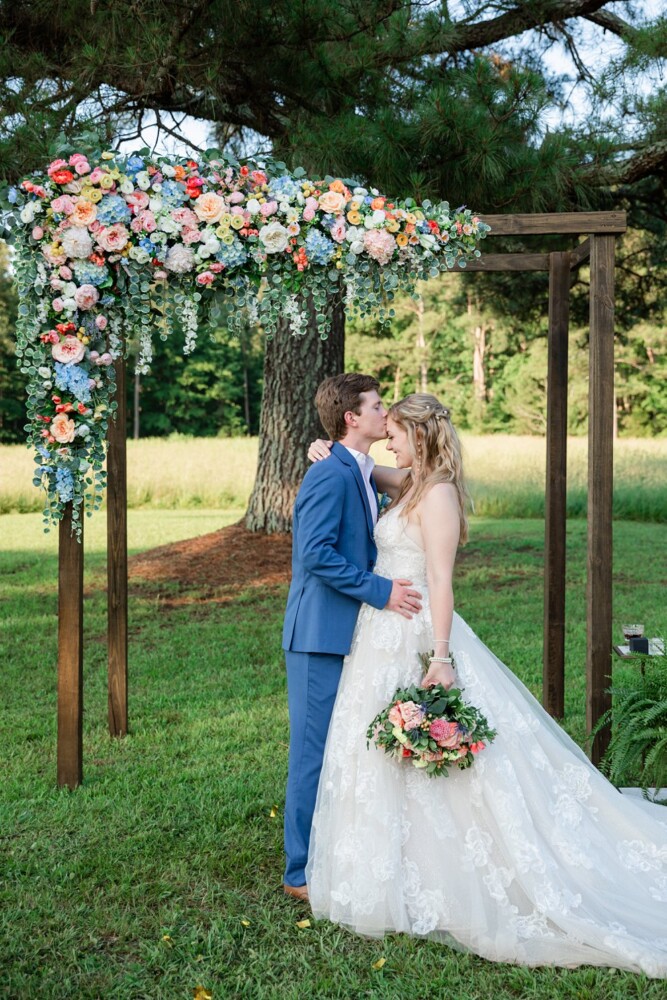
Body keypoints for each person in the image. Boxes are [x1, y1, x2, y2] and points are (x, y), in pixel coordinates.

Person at [305, 393, 667, 977]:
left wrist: (441, 657)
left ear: (418, 436)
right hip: (378, 635)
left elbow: (442, 584)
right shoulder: (412, 482)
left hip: (419, 631)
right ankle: (392, 867)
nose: (388, 441)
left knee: (440, 758)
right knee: (379, 753)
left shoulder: (439, 493)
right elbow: (363, 466)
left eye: (395, 432)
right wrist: (325, 449)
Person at [282, 373, 422, 903]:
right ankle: (299, 871)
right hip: (319, 633)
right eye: (378, 405)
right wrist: (380, 590)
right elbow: (315, 553)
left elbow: (421, 480)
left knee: (343, 747)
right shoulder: (329, 474)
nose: (386, 413)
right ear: (352, 418)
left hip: (351, 632)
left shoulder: (358, 468)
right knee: (313, 753)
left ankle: (336, 845)